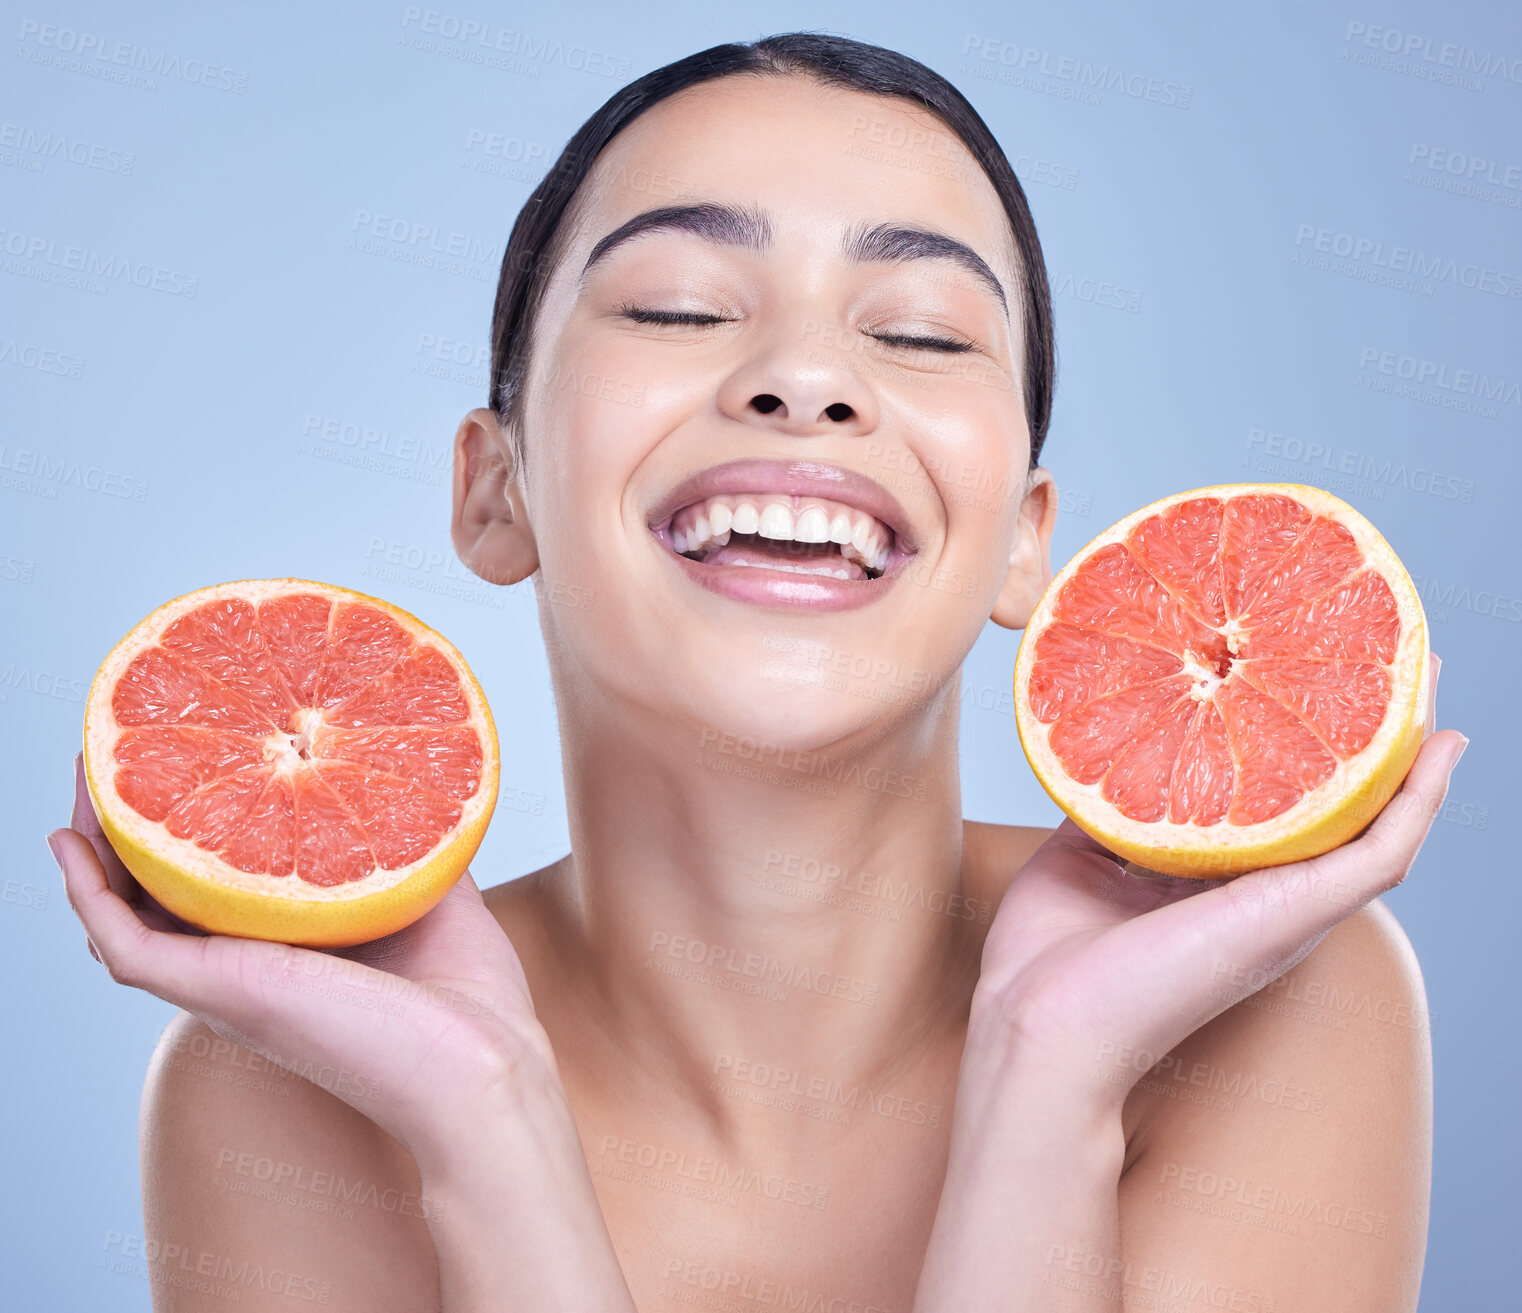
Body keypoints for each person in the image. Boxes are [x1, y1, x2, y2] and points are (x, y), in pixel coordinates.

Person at [50, 32, 1464, 1312]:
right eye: (672, 306)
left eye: (916, 331)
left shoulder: (1275, 1003)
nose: (804, 375)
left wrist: (1050, 1074)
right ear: (495, 491)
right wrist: (484, 1122)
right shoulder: (297, 1080)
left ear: (1024, 550)